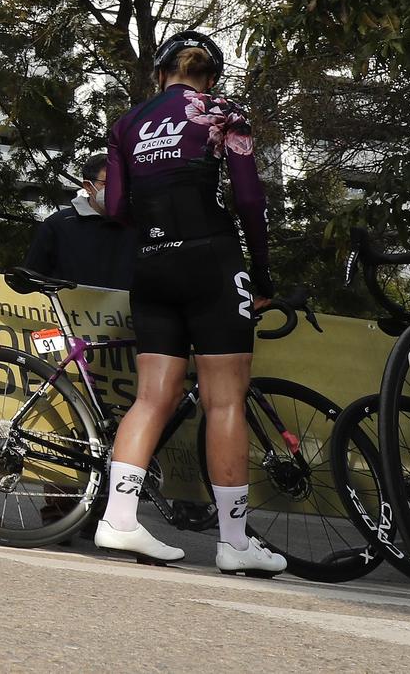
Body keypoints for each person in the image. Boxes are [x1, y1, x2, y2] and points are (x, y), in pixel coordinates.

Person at [95, 30, 284, 574]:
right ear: (213, 77)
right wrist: (262, 270)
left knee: (151, 398)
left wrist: (156, 232)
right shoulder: (222, 110)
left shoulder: (128, 123)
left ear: (159, 74)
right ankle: (234, 542)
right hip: (211, 260)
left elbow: (114, 206)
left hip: (151, 264)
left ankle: (120, 520)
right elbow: (249, 198)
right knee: (224, 400)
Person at [24, 153, 131, 290]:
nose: (118, 189)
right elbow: (33, 278)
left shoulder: (138, 225)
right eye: (108, 183)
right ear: (88, 186)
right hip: (68, 310)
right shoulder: (58, 225)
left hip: (124, 311)